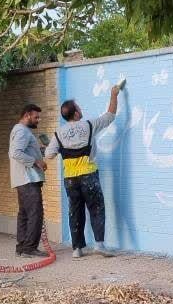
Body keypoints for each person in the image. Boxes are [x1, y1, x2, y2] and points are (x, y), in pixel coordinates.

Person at [45, 85, 120, 258]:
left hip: (70, 179)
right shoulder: (89, 125)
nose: (81, 110)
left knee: (75, 211)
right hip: (89, 175)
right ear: (76, 113)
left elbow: (49, 155)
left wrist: (59, 147)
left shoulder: (58, 133)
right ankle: (99, 245)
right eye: (79, 108)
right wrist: (114, 94)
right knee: (96, 208)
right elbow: (110, 115)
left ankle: (77, 249)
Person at [10, 104, 48, 258]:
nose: (38, 120)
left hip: (23, 180)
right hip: (28, 179)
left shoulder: (21, 130)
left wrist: (42, 150)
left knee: (24, 214)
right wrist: (36, 162)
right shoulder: (22, 131)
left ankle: (21, 247)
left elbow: (23, 151)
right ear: (27, 115)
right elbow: (16, 153)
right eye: (36, 117)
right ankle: (30, 248)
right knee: (35, 213)